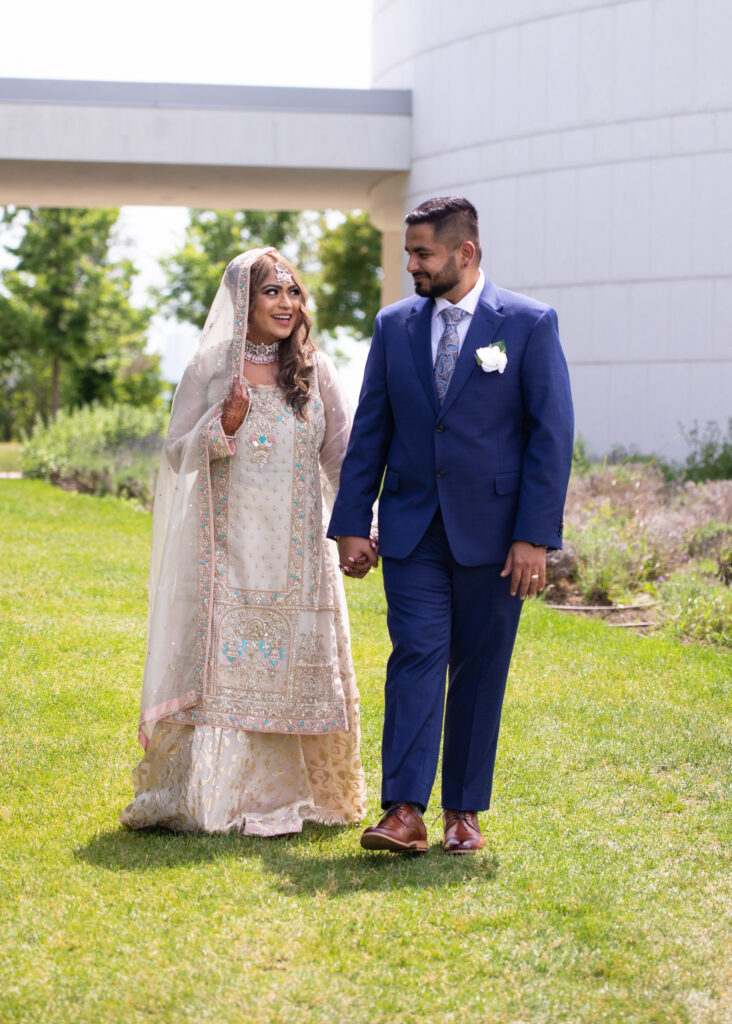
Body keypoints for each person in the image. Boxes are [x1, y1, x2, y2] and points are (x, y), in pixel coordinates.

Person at [329, 197, 574, 854]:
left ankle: (462, 812)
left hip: (496, 537)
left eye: (422, 254)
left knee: (480, 668)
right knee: (416, 656)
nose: (411, 264)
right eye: (410, 252)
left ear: (465, 254)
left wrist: (534, 537)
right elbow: (370, 429)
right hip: (411, 530)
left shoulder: (528, 324)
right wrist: (354, 520)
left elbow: (552, 438)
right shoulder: (393, 327)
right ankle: (403, 810)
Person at [121, 248, 367, 837]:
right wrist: (220, 426)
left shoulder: (315, 369)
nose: (287, 304)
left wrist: (364, 527)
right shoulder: (209, 369)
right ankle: (216, 796)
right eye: (271, 292)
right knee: (229, 672)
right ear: (243, 300)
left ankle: (308, 796)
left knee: (296, 672)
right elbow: (177, 455)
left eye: (293, 293)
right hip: (225, 562)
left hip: (301, 563)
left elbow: (343, 459)